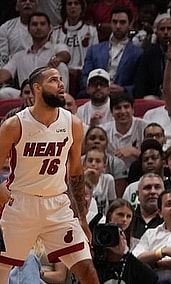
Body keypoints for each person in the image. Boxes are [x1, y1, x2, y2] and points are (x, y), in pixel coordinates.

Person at [0, 66, 99, 283]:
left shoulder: (73, 123)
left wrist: (82, 218)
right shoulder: (14, 125)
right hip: (21, 205)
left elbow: (75, 171)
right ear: (37, 88)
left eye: (61, 79)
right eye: (53, 80)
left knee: (87, 270)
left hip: (57, 206)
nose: (61, 84)